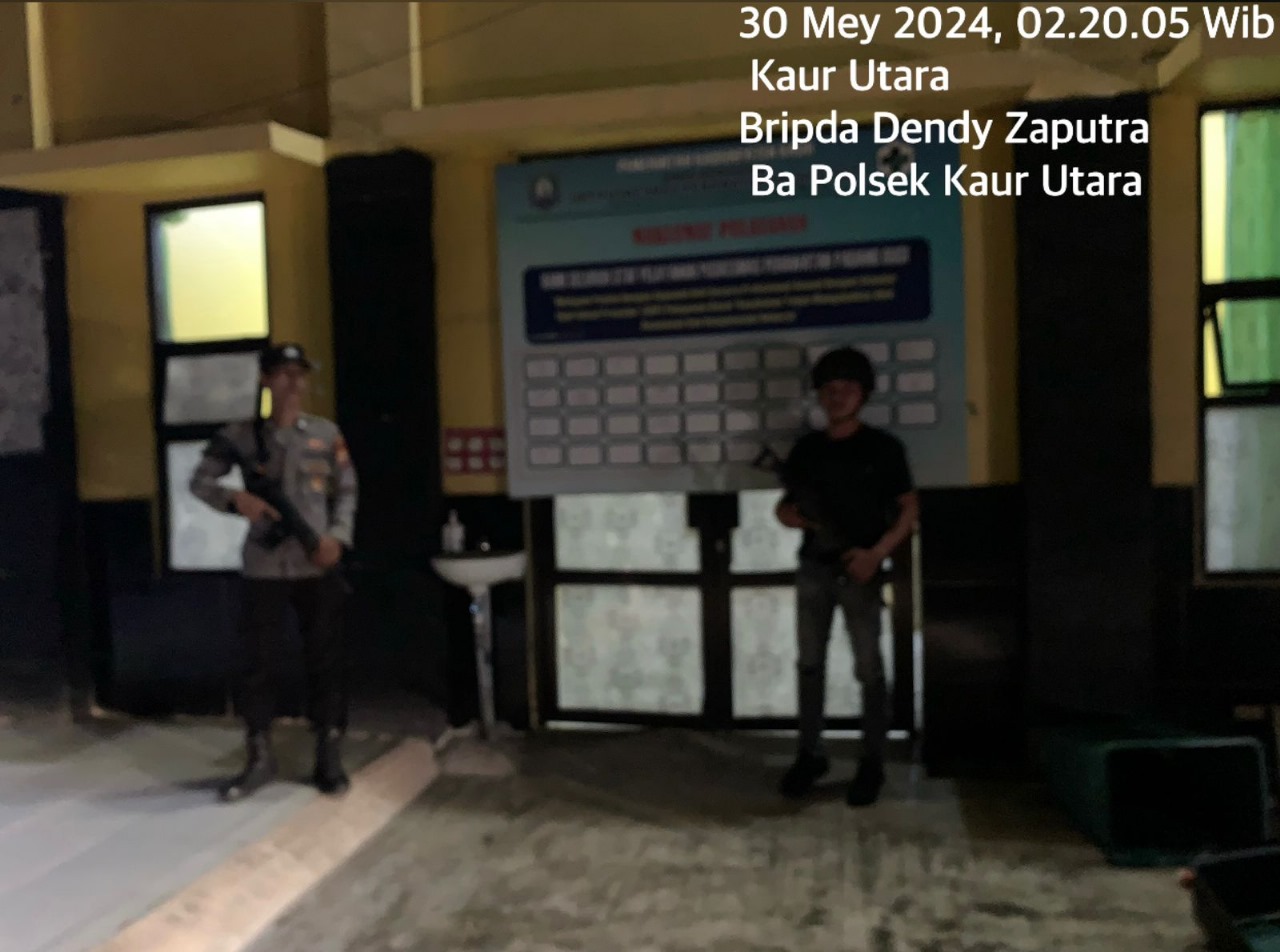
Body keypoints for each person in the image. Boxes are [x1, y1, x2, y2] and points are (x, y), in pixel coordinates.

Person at [190, 342, 358, 802]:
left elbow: (346, 490)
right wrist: (236, 499)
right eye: (283, 374)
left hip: (315, 562)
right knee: (257, 665)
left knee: (325, 661)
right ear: (265, 379)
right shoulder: (242, 437)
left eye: (299, 374)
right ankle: (259, 755)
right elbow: (200, 481)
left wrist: (338, 537)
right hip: (264, 567)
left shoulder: (324, 434)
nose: (293, 383)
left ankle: (328, 753)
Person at [774, 346, 919, 807]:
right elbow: (785, 506)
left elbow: (909, 510)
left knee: (869, 670)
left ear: (863, 394)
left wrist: (875, 555)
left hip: (859, 570)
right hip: (814, 567)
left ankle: (872, 763)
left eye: (847, 388)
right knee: (809, 664)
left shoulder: (884, 448)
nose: (837, 396)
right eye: (829, 388)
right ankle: (810, 755)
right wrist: (787, 516)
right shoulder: (807, 449)